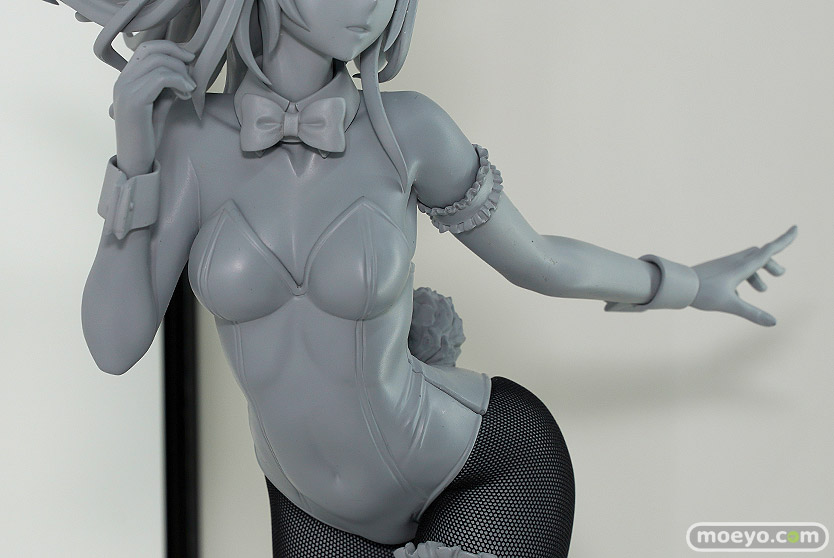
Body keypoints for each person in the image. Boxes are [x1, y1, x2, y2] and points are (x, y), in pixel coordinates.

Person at [47, 0, 796, 556]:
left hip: (485, 468)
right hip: (313, 512)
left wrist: (690, 283)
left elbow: (540, 260)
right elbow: (113, 346)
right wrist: (133, 158)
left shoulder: (408, 132)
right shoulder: (185, 140)